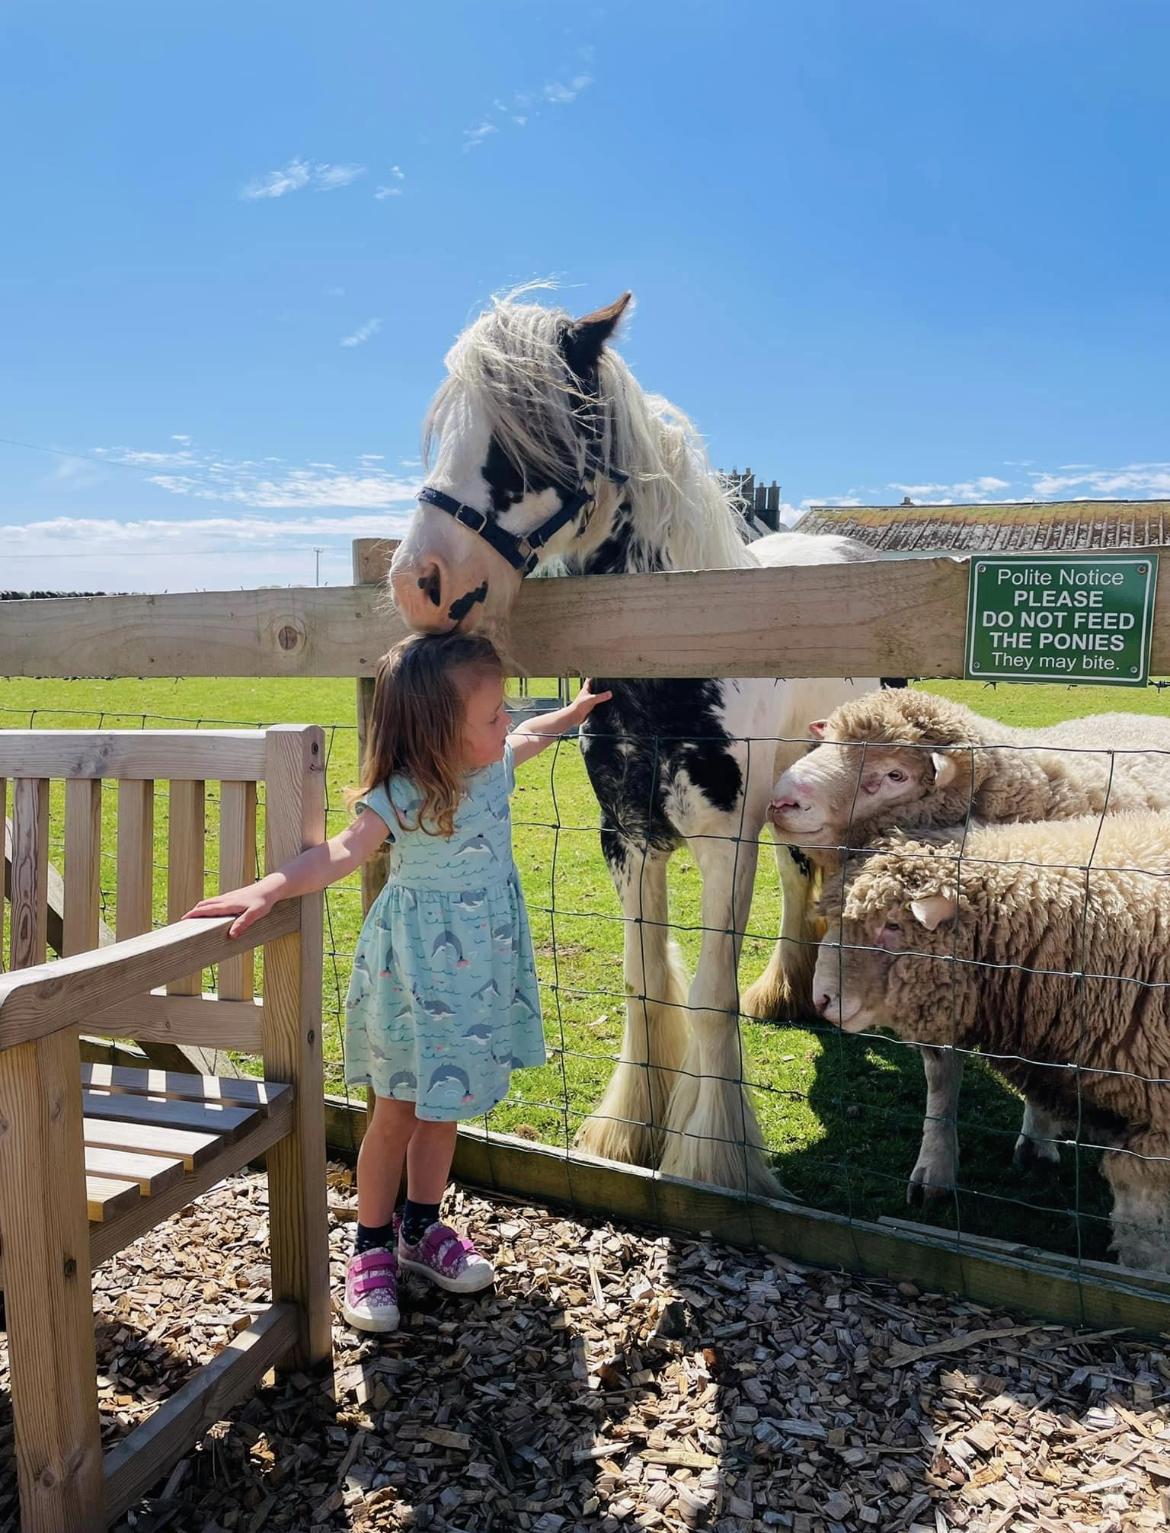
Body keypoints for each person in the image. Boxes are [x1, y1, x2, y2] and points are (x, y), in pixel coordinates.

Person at [187, 634, 611, 1334]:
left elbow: (531, 731)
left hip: (478, 973)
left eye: (502, 711)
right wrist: (269, 887)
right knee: (397, 1113)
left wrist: (576, 712)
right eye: (490, 714)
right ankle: (372, 1246)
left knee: (443, 1110)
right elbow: (342, 853)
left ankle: (422, 1229)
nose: (505, 721)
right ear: (436, 732)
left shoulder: (495, 765)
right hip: (415, 974)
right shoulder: (404, 793)